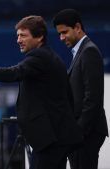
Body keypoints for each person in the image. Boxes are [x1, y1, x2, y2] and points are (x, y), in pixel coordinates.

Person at [0, 15, 82, 169]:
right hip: (56, 138)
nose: (18, 40)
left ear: (39, 37)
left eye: (23, 35)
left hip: (51, 140)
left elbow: (14, 72)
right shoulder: (47, 56)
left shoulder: (39, 57)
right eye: (18, 35)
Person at [53, 9, 108, 169]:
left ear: (77, 27)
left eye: (64, 32)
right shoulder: (81, 51)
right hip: (82, 133)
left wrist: (78, 132)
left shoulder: (89, 51)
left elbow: (93, 99)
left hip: (87, 134)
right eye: (59, 34)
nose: (61, 38)